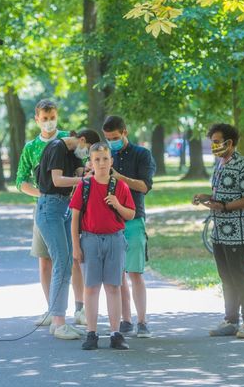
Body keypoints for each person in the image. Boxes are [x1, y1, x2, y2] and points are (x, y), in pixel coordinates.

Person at [15, 99, 86, 327]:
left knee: (72, 257)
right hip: (45, 206)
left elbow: (82, 165)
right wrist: (43, 193)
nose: (49, 122)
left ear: (57, 116)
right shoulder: (31, 148)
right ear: (37, 119)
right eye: (44, 118)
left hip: (69, 205)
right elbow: (20, 181)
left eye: (52, 117)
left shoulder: (67, 139)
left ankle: (80, 308)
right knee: (46, 260)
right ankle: (52, 310)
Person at [192, 123, 244, 339]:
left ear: (229, 142)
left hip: (237, 231)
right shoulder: (220, 164)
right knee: (226, 277)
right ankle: (231, 320)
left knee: (240, 276)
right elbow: (221, 194)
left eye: (216, 142)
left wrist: (225, 207)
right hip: (219, 231)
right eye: (212, 142)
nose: (213, 145)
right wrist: (206, 197)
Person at [35, 128, 101, 340]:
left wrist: (89, 172)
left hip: (64, 207)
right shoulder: (57, 147)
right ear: (81, 140)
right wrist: (83, 181)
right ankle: (58, 322)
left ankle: (59, 320)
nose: (86, 154)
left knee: (67, 263)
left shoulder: (73, 153)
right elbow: (57, 180)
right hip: (50, 208)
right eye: (88, 150)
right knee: (61, 264)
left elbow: (79, 173)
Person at [70, 142, 136, 350]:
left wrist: (117, 203)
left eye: (105, 159)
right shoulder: (85, 186)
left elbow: (130, 214)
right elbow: (75, 218)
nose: (101, 163)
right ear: (90, 162)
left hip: (115, 239)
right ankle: (92, 333)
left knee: (113, 287)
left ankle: (115, 333)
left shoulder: (120, 186)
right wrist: (76, 246)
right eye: (97, 159)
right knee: (91, 288)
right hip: (90, 240)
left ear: (111, 161)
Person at [101, 116, 156, 338]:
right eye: (108, 138)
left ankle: (142, 321)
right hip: (110, 220)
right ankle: (125, 320)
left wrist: (120, 178)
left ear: (125, 132)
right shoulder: (105, 155)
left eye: (114, 137)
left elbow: (144, 186)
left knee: (135, 272)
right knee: (118, 274)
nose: (111, 142)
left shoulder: (142, 154)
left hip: (134, 219)